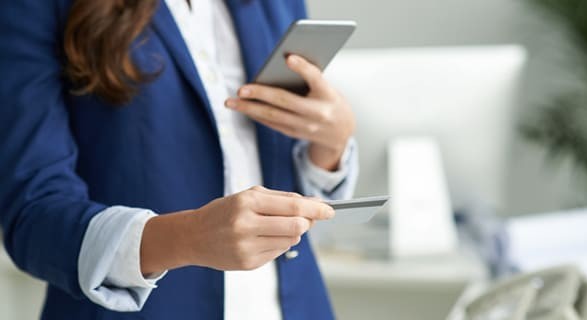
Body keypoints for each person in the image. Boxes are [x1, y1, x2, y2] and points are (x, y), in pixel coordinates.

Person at [0, 0, 359, 319]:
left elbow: (282, 173)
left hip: (292, 305)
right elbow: (33, 215)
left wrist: (332, 144)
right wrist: (189, 237)